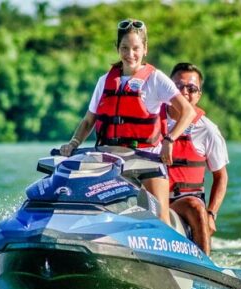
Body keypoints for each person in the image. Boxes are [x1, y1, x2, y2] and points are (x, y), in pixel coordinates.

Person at [60, 19, 195, 225]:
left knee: (160, 217)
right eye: (124, 48)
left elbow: (187, 111)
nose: (130, 54)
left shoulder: (156, 79)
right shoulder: (105, 80)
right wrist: (73, 143)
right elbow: (88, 121)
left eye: (135, 48)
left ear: (145, 49)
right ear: (117, 48)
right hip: (108, 159)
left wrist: (169, 139)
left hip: (146, 159)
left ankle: (166, 241)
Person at [161, 63, 229, 256]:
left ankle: (205, 268)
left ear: (199, 95)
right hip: (152, 197)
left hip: (183, 203)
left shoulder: (208, 130)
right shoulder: (151, 121)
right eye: (178, 87)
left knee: (197, 208)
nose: (184, 93)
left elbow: (221, 176)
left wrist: (211, 214)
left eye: (191, 89)